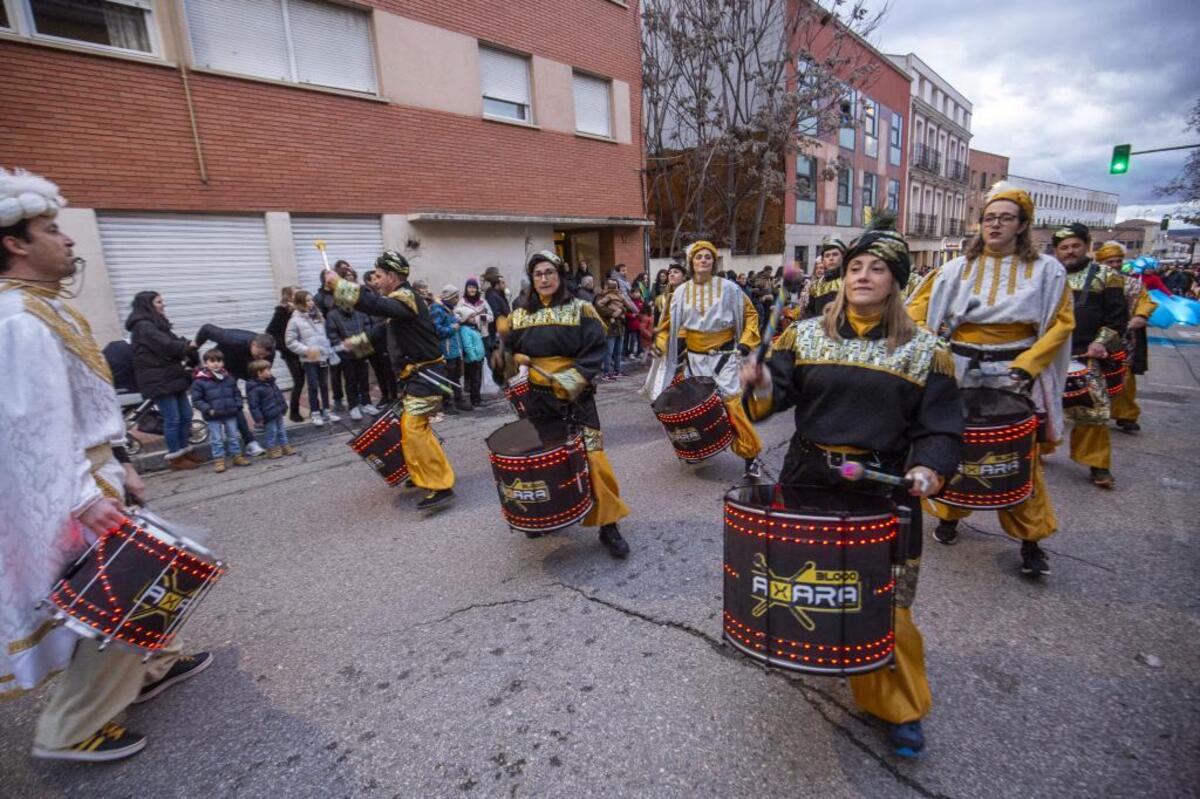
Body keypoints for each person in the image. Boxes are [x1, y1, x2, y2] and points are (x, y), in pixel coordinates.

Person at [0, 166, 211, 761]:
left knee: (130, 583)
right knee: (110, 592)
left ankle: (151, 669)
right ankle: (71, 728)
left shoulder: (38, 309)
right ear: (15, 243)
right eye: (51, 229)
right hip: (73, 486)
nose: (67, 240)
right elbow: (30, 427)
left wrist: (119, 463)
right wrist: (84, 494)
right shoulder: (17, 321)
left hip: (95, 471)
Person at [741, 220, 962, 758]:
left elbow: (940, 429)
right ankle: (829, 657)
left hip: (882, 488)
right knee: (813, 585)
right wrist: (762, 383)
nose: (863, 276)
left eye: (877, 269)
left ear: (896, 282)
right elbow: (776, 398)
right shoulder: (807, 332)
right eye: (855, 267)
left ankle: (900, 706)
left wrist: (930, 468)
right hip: (810, 478)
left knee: (887, 605)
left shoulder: (926, 351)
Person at [907, 182, 1073, 576]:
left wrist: (1028, 365)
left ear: (1022, 225)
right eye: (989, 218)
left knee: (1017, 456)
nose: (995, 225)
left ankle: (1031, 541)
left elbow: (1061, 325)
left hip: (1014, 376)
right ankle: (949, 515)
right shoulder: (954, 268)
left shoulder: (1047, 271)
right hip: (959, 370)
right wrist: (931, 341)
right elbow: (915, 310)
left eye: (1005, 218)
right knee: (954, 448)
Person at [498, 251, 631, 557]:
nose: (544, 279)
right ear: (532, 280)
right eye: (538, 275)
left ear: (559, 276)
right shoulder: (520, 314)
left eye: (549, 272)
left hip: (576, 396)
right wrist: (505, 354)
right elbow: (505, 355)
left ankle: (608, 524)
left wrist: (572, 379)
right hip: (539, 398)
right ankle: (548, 515)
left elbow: (596, 348)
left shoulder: (581, 309)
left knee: (594, 458)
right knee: (547, 457)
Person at [324, 251, 456, 510]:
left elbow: (376, 307)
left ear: (392, 277)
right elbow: (383, 331)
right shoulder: (400, 302)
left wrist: (340, 286)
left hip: (426, 376)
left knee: (415, 429)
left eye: (379, 275)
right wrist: (355, 344)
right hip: (414, 377)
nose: (375, 280)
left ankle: (441, 484)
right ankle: (421, 475)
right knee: (409, 428)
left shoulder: (405, 297)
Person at [650, 240, 764, 478]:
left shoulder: (730, 288)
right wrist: (663, 345)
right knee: (694, 406)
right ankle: (700, 448)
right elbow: (670, 324)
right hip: (694, 359)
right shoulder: (680, 291)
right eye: (699, 257)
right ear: (691, 262)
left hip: (724, 356)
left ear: (713, 262)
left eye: (708, 257)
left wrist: (745, 342)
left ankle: (750, 456)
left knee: (731, 404)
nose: (703, 260)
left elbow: (751, 315)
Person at [1052, 224, 1128, 488]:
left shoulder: (1107, 276)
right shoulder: (1046, 274)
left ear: (1087, 246)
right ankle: (1034, 456)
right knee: (1035, 410)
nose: (1070, 251)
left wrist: (1101, 343)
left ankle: (1098, 465)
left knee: (1092, 413)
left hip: (1085, 355)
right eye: (1064, 247)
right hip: (1046, 354)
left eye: (1075, 246)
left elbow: (1118, 319)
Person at [125, 291, 201, 470]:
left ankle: (185, 450)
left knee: (186, 415)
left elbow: (174, 341)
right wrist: (187, 346)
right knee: (173, 418)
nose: (163, 305)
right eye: (159, 302)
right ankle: (176, 457)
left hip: (172, 376)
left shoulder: (157, 324)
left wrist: (188, 346)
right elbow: (166, 346)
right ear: (148, 305)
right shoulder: (143, 326)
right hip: (158, 379)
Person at [1097, 244, 1157, 434]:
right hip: (1093, 337)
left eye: (1118, 261)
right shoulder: (1091, 282)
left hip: (1124, 338)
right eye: (1109, 262)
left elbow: (1146, 302)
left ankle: (1126, 415)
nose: (1114, 265)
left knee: (1125, 377)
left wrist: (1141, 315)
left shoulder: (1134, 284)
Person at [193, 324, 273, 456]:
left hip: (246, 369)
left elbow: (264, 369)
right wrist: (194, 346)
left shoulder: (269, 352)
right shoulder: (233, 338)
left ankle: (262, 423)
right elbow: (206, 329)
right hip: (225, 368)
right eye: (259, 354)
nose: (261, 358)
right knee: (234, 404)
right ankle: (250, 442)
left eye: (264, 356)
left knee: (264, 390)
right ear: (253, 344)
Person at [284, 289, 340, 427]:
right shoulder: (295, 320)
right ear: (300, 303)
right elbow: (290, 342)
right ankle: (315, 412)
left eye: (311, 300)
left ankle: (326, 410)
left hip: (323, 356)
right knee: (313, 385)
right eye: (308, 300)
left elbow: (324, 335)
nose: (311, 303)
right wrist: (307, 350)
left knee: (324, 384)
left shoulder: (318, 316)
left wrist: (328, 348)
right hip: (310, 359)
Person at [190, 348, 250, 472]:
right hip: (213, 415)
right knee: (216, 439)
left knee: (233, 436)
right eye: (212, 361)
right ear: (205, 364)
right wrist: (208, 410)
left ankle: (237, 456)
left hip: (230, 413)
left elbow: (236, 393)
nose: (216, 363)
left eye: (219, 361)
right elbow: (197, 400)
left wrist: (238, 405)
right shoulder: (200, 381)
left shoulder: (228, 377)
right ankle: (219, 460)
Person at [325, 290, 377, 421]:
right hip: (346, 352)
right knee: (350, 380)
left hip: (362, 348)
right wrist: (343, 344)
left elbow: (368, 327)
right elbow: (331, 334)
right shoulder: (332, 315)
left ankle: (366, 403)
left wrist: (362, 339)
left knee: (364, 379)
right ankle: (353, 406)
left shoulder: (360, 312)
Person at [266, 285, 307, 422]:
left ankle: (315, 409)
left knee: (310, 380)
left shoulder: (302, 310)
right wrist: (285, 347)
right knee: (299, 381)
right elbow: (270, 333)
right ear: (289, 297)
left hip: (304, 351)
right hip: (291, 354)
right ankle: (294, 412)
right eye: (296, 293)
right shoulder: (281, 312)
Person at [246, 359, 297, 458]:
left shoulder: (271, 383)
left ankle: (285, 446)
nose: (270, 372)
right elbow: (254, 405)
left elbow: (279, 395)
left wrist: (284, 406)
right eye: (267, 370)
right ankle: (271, 449)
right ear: (259, 373)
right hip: (268, 415)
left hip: (277, 412)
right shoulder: (255, 389)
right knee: (272, 432)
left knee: (282, 430)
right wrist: (259, 418)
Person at [433, 283, 472, 412]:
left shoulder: (449, 309)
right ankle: (447, 403)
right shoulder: (437, 309)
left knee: (456, 376)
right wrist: (451, 328)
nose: (457, 301)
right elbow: (435, 330)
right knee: (445, 378)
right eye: (455, 298)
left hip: (455, 350)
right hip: (445, 351)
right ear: (449, 297)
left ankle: (459, 400)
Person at [361, 270, 398, 407]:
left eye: (378, 278)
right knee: (378, 372)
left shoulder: (383, 298)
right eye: (374, 279)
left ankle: (393, 396)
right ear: (367, 282)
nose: (377, 281)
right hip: (370, 342)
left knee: (388, 371)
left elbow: (387, 319)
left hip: (383, 341)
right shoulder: (366, 300)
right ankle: (385, 396)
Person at [455, 278, 491, 407]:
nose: (472, 289)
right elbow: (457, 316)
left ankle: (476, 395)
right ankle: (472, 394)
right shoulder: (462, 302)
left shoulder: (483, 302)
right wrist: (467, 319)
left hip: (481, 334)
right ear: (466, 288)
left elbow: (491, 316)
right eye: (470, 287)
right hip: (468, 334)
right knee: (471, 367)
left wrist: (480, 317)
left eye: (474, 287)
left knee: (478, 367)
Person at [804, 237, 846, 318]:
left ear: (843, 257)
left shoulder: (850, 281)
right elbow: (810, 311)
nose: (831, 258)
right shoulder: (816, 285)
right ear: (823, 261)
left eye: (835, 254)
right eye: (827, 255)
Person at [594, 277, 627, 380]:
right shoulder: (601, 297)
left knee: (618, 351)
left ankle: (617, 370)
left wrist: (621, 310)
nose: (615, 287)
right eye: (613, 285)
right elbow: (599, 308)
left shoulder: (619, 295)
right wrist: (612, 313)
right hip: (609, 327)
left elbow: (625, 307)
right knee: (609, 352)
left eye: (616, 285)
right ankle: (606, 372)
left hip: (619, 326)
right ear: (607, 286)